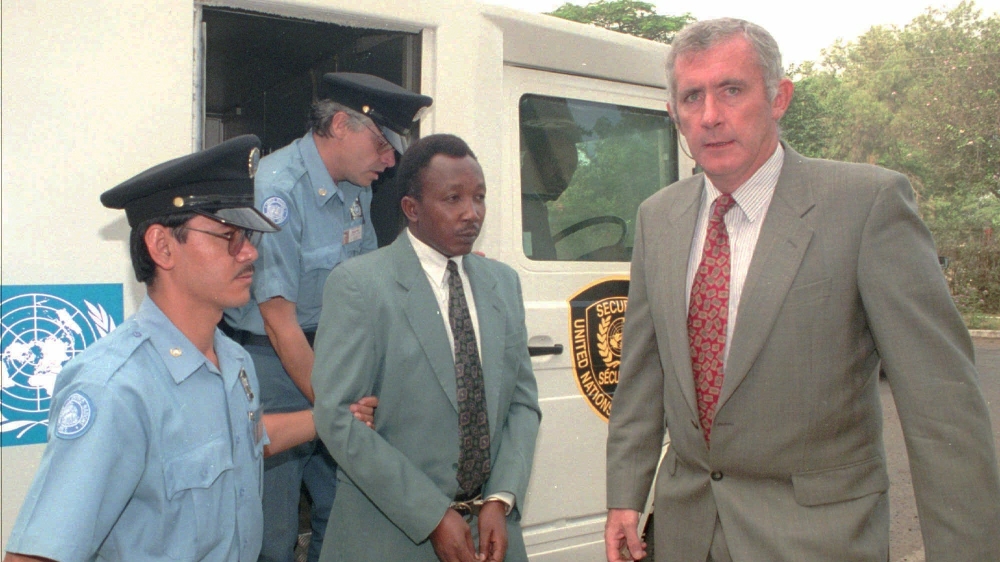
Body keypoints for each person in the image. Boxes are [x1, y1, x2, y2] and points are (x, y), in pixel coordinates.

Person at [604, 17, 1000, 562]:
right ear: (674, 113)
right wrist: (625, 497)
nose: (711, 115)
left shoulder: (866, 204)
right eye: (692, 96)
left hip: (819, 539)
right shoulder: (658, 217)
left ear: (779, 98)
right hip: (687, 532)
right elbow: (642, 375)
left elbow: (942, 405)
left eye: (732, 90)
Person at [3, 135, 279, 562]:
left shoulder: (233, 360)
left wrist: (329, 418)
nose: (249, 253)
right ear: (162, 247)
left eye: (248, 236)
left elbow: (247, 439)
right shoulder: (115, 390)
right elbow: (36, 556)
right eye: (228, 236)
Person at [223, 73, 432, 562]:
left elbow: (369, 279)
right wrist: (337, 409)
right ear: (340, 125)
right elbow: (279, 324)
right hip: (273, 364)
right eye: (382, 145)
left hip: (330, 356)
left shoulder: (355, 186)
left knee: (341, 513)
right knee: (272, 532)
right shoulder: (278, 191)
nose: (390, 161)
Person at [311, 134, 542, 562]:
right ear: (411, 208)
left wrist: (501, 497)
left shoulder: (502, 284)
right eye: (453, 199)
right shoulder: (361, 285)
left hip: (490, 532)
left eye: (479, 197)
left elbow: (522, 403)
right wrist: (431, 515)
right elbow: (337, 417)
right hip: (392, 535)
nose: (471, 213)